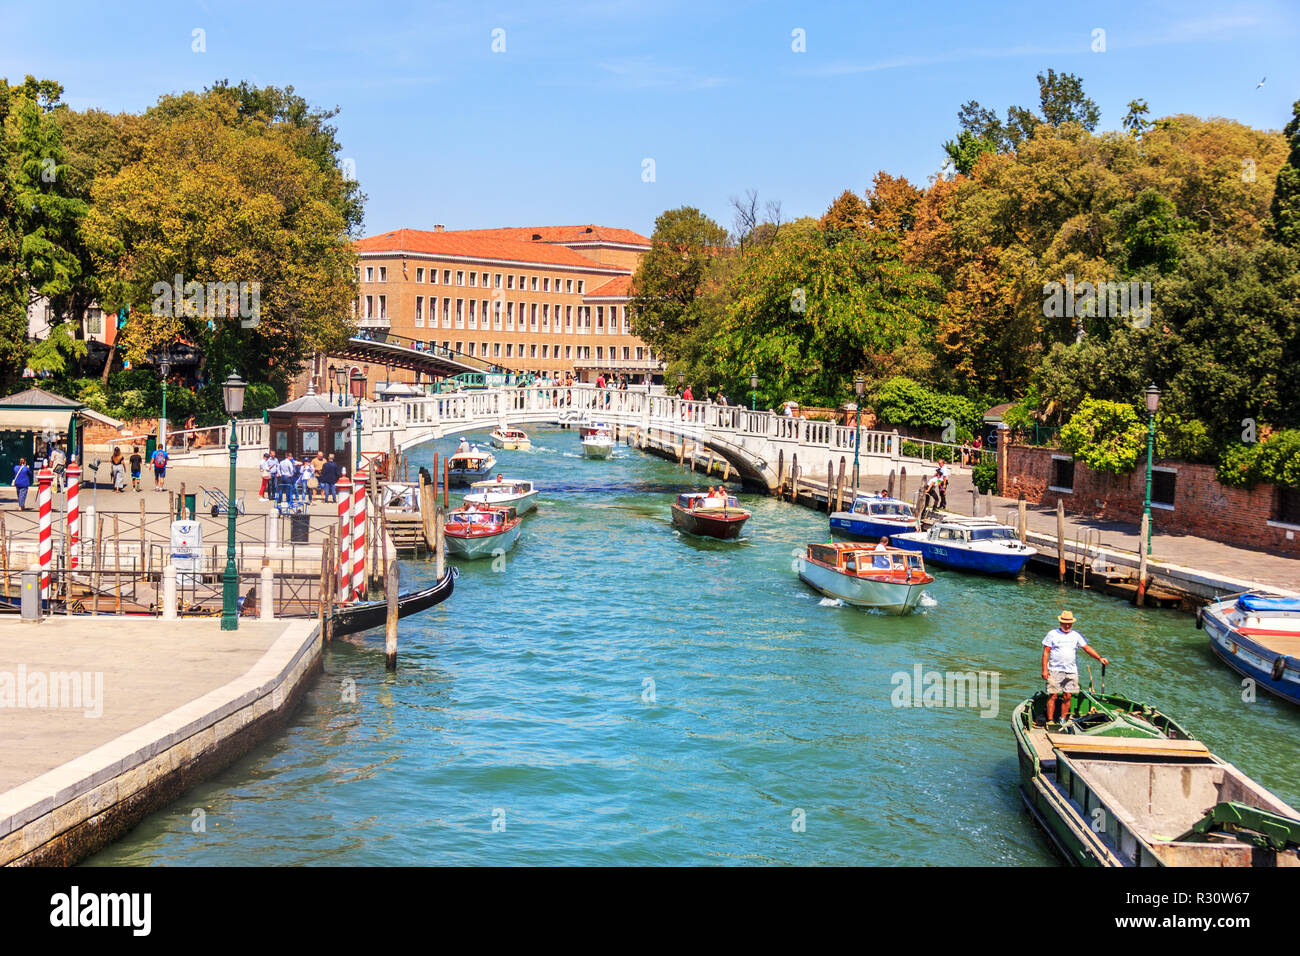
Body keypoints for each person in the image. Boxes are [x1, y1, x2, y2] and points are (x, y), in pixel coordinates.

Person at [1041, 611, 1109, 727]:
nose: (1067, 626)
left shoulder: (1076, 635)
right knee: (1053, 695)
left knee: (1068, 696)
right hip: (1055, 670)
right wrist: (1044, 670)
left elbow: (1086, 648)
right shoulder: (1052, 634)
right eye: (1065, 623)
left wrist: (1099, 658)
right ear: (1060, 622)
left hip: (1071, 671)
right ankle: (1051, 720)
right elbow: (1046, 653)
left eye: (1069, 623)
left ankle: (1063, 719)